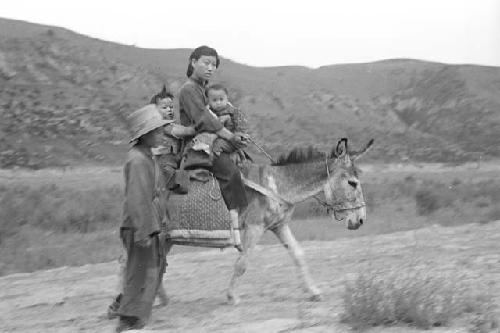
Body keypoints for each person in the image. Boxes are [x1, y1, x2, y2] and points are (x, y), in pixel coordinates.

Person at [178, 45, 247, 251]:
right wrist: (230, 136)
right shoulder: (189, 89)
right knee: (230, 172)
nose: (210, 68)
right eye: (206, 63)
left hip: (211, 138)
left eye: (214, 65)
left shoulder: (203, 89)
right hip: (199, 144)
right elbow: (204, 120)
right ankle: (233, 225)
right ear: (193, 62)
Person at [114, 104, 170, 332]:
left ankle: (133, 318)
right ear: (145, 135)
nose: (161, 134)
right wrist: (144, 231)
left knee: (144, 273)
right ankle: (129, 320)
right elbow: (137, 199)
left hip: (145, 224)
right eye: (157, 131)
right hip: (139, 227)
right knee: (139, 274)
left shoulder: (145, 156)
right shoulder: (138, 161)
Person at [205, 83, 249, 163]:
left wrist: (239, 136)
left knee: (217, 145)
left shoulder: (234, 112)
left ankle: (213, 160)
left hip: (231, 141)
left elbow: (242, 125)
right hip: (217, 138)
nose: (218, 103)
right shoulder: (209, 112)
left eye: (221, 99)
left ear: (227, 99)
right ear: (208, 101)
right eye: (214, 100)